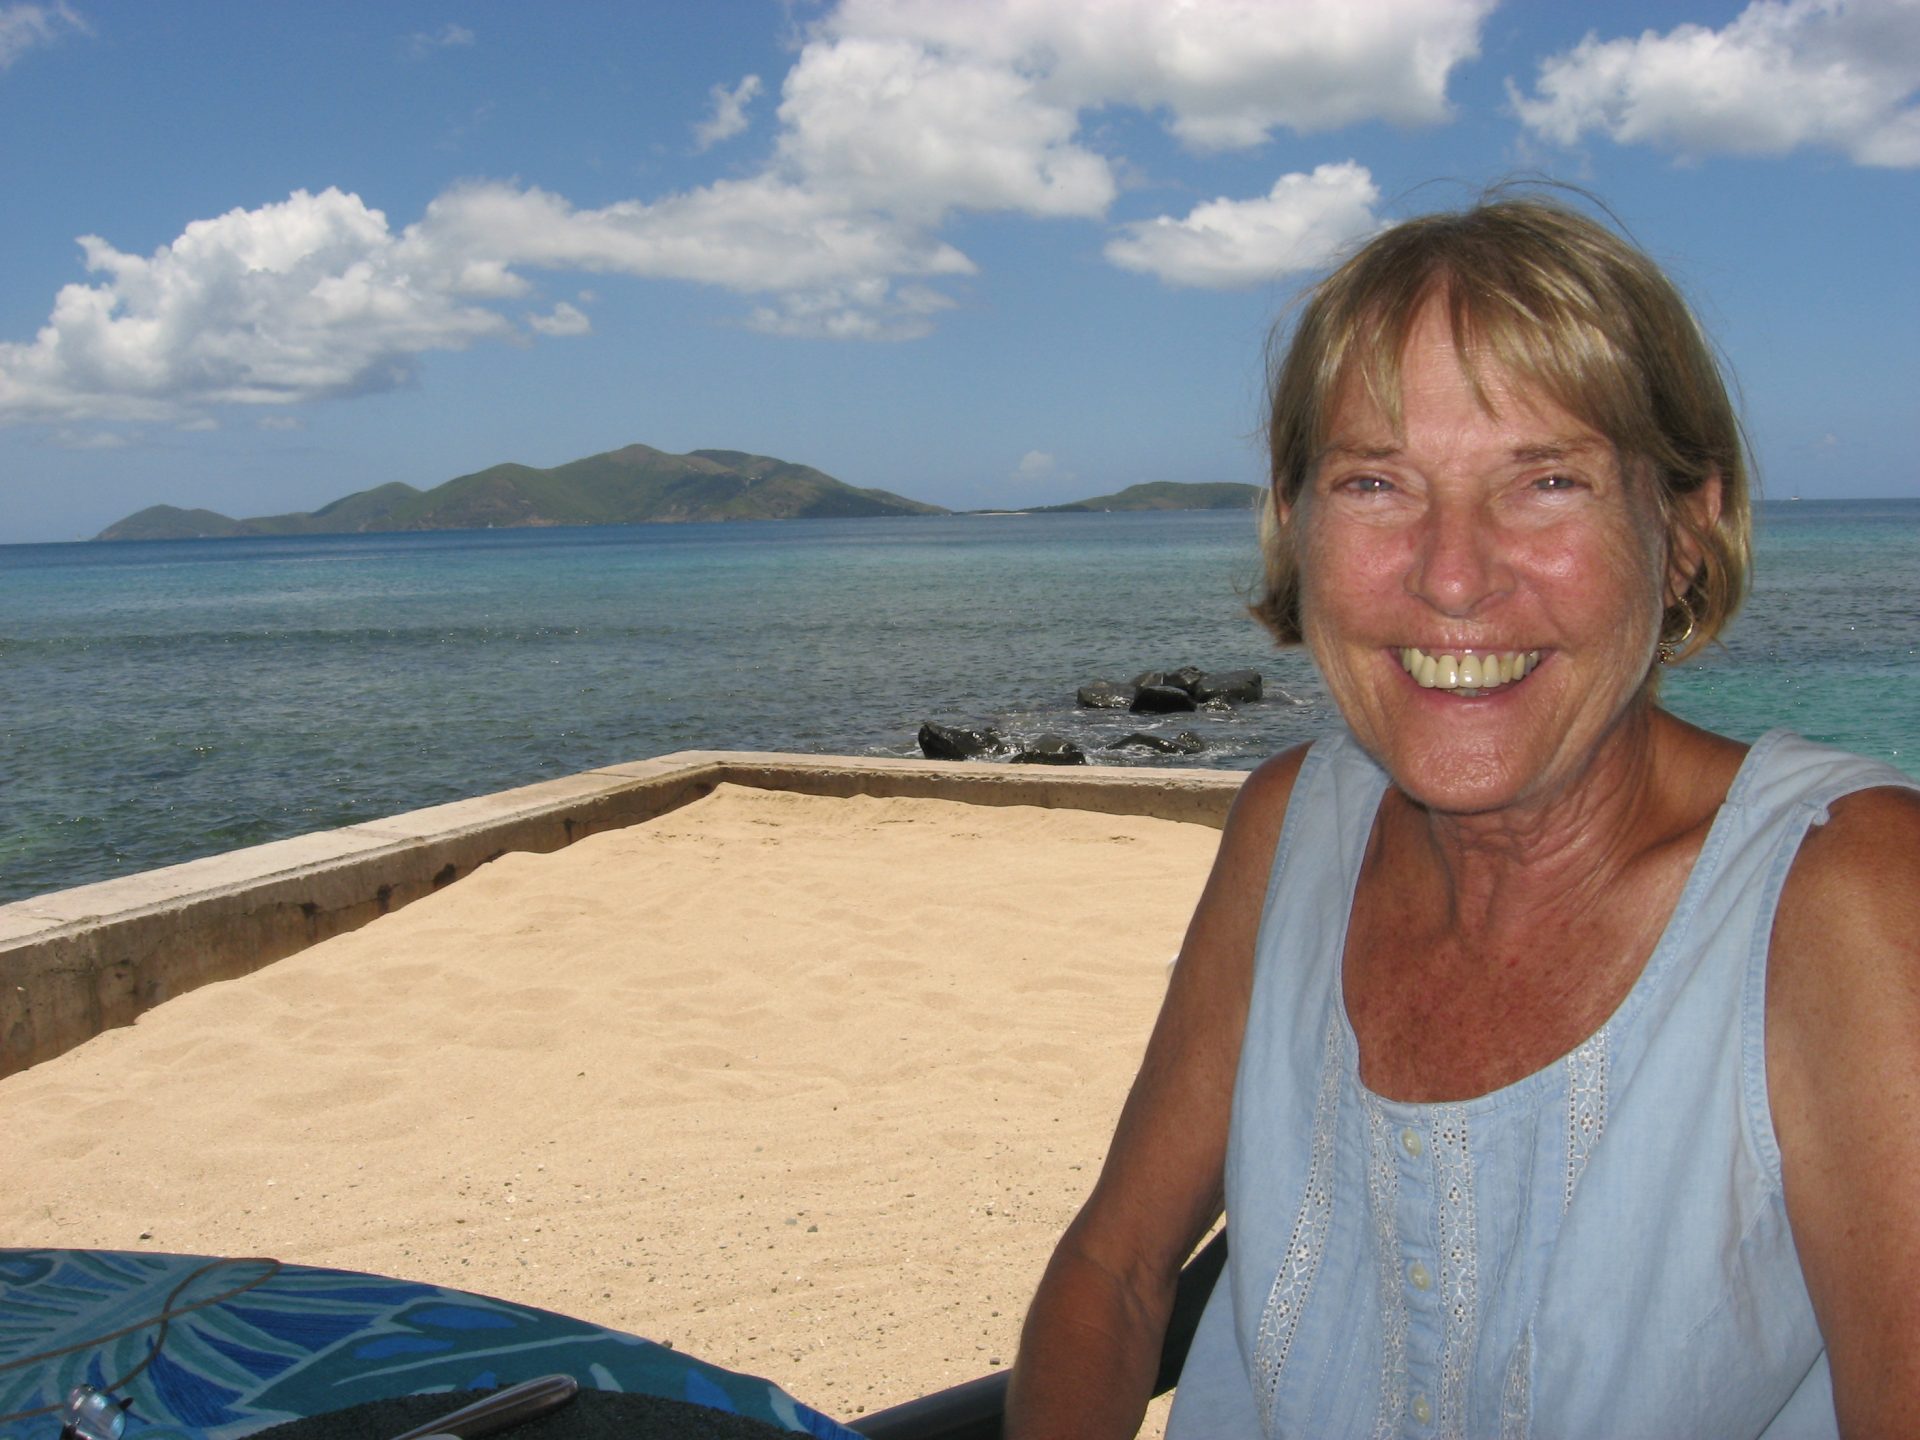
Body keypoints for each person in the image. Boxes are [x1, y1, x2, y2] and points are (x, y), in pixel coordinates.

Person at [1003, 192, 1920, 1439]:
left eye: (1547, 480)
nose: (1451, 575)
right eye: (1376, 482)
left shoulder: (1846, 895)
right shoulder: (1290, 828)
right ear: (1293, 523)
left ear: (1686, 528)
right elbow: (1111, 1274)